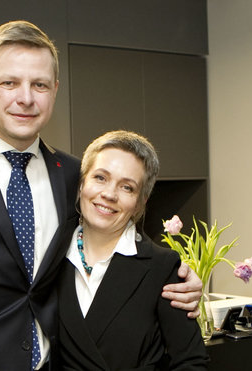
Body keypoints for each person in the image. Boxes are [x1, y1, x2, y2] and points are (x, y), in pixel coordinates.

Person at [0, 20, 202, 371]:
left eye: (40, 85)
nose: (26, 98)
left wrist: (180, 279)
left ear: (55, 90)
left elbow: (108, 240)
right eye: (9, 83)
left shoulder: (71, 174)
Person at [58, 130, 208, 370]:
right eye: (100, 178)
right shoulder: (50, 255)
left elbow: (190, 361)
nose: (108, 194)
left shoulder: (162, 267)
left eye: (127, 187)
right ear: (81, 182)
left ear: (141, 201)